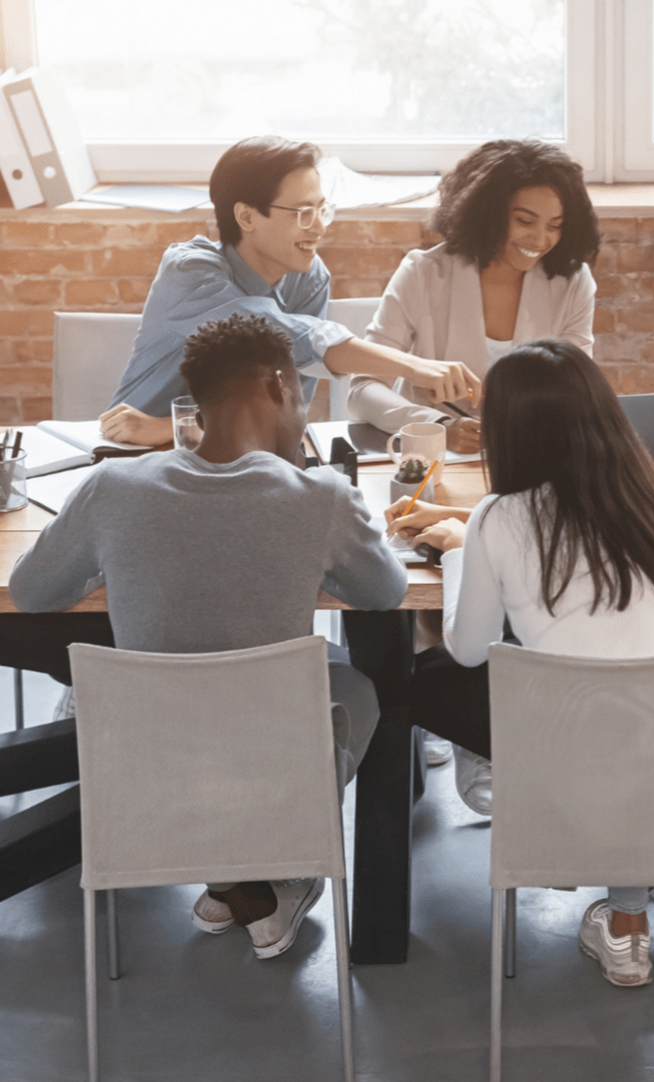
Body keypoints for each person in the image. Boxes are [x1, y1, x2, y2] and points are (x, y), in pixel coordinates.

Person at [10, 314, 409, 959]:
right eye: (302, 392)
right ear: (278, 384)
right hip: (268, 774)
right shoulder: (320, 496)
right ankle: (270, 866)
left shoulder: (113, 486)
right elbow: (386, 594)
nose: (304, 412)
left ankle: (235, 879)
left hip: (142, 775)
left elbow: (31, 594)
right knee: (352, 685)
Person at [385, 338, 654, 989]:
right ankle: (628, 925)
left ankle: (497, 783)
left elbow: (468, 648)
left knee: (425, 679)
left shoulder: (501, 517)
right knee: (619, 698)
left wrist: (463, 549)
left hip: (564, 754)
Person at [101, 135, 480, 448]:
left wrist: (175, 426)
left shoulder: (309, 277)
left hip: (242, 459)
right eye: (302, 214)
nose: (318, 228)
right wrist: (413, 366)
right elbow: (279, 334)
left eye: (321, 210)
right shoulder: (190, 272)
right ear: (246, 217)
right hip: (139, 453)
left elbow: (286, 407)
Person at [347, 139, 599, 454]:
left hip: (532, 456)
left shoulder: (572, 283)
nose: (540, 238)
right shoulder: (423, 273)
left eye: (555, 226)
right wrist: (436, 427)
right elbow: (363, 389)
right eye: (524, 221)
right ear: (489, 214)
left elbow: (579, 391)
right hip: (437, 460)